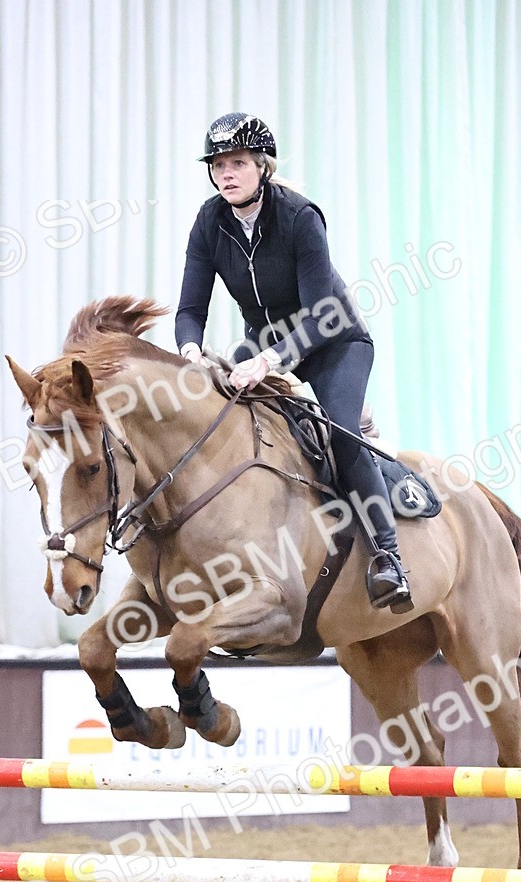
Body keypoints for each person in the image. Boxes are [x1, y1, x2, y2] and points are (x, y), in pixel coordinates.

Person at [175, 111, 412, 612]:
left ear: (263, 166)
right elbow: (191, 309)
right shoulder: (209, 221)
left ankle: (388, 556)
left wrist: (267, 361)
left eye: (238, 163)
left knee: (341, 433)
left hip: (334, 341)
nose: (226, 174)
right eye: (218, 165)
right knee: (219, 417)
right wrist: (190, 352)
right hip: (264, 344)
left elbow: (320, 315)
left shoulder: (300, 217)